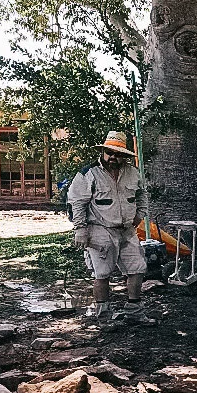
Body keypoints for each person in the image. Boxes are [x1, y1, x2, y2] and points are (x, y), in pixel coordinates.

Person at [67, 131, 148, 319]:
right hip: (100, 229)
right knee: (102, 274)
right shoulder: (88, 173)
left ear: (125, 156)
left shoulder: (133, 173)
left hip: (128, 230)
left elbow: (142, 195)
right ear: (103, 152)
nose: (113, 157)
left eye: (119, 154)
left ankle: (134, 311)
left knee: (138, 269)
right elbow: (76, 202)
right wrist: (80, 229)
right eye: (110, 153)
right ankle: (104, 315)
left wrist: (140, 215)